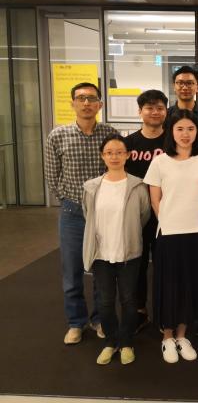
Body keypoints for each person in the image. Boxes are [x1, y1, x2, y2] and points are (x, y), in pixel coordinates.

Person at [143, 110, 198, 363]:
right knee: (169, 284)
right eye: (179, 129)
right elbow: (155, 200)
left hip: (196, 231)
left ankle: (182, 335)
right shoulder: (160, 162)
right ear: (171, 132)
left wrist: (191, 217)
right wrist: (169, 221)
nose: (185, 134)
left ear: (197, 132)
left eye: (190, 129)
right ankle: (167, 337)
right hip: (169, 232)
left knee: (190, 284)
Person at [44, 82, 118, 344]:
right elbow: (52, 176)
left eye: (92, 98)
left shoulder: (109, 133)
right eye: (81, 98)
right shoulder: (58, 135)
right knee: (72, 270)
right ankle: (76, 322)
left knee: (102, 270)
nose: (86, 103)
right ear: (72, 103)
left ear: (100, 104)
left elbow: (116, 169)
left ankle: (100, 319)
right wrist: (67, 200)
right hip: (72, 212)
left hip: (104, 212)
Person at [82, 134, 151, 365]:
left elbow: (143, 215)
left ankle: (127, 342)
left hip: (128, 253)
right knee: (104, 301)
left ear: (127, 155)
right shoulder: (91, 187)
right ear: (102, 156)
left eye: (119, 152)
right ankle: (111, 342)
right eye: (109, 152)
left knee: (129, 300)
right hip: (101, 254)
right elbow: (88, 215)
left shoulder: (138, 185)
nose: (114, 156)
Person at [124, 89, 168, 333]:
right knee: (137, 264)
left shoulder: (172, 142)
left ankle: (164, 312)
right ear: (140, 111)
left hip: (166, 214)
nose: (155, 112)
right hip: (135, 214)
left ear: (166, 111)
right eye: (149, 108)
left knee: (164, 265)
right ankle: (139, 311)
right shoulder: (129, 143)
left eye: (160, 107)